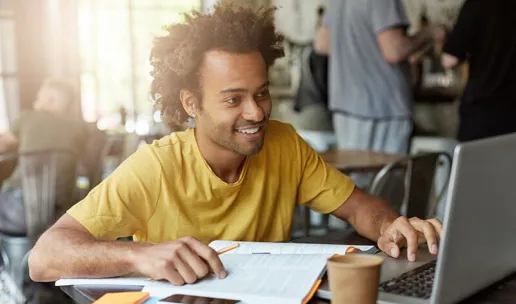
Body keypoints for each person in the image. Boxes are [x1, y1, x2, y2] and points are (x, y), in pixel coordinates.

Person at [28, 1, 442, 286]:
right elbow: (43, 257)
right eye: (233, 99)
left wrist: (390, 227)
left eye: (261, 93)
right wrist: (139, 256)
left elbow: (358, 206)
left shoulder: (285, 144)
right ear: (191, 103)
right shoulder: (156, 167)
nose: (257, 112)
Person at [314, 0, 447, 158]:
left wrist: (363, 50)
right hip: (382, 108)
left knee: (354, 178)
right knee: (385, 180)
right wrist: (430, 33)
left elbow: (322, 44)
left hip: (346, 108)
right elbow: (394, 50)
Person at [0, 78, 87, 235]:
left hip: (20, 209)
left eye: (38, 97)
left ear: (50, 99)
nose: (35, 102)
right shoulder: (78, 128)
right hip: (64, 213)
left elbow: (2, 144)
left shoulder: (28, 117)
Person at [441, 0, 516, 142]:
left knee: (476, 162)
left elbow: (450, 59)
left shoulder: (477, 4)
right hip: (512, 108)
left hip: (483, 109)